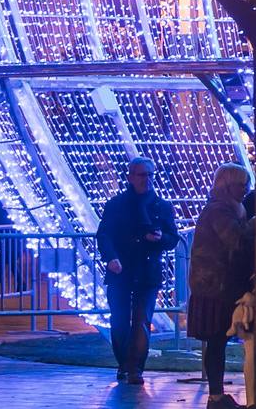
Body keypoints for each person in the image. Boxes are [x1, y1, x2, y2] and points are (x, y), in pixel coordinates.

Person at [97, 156, 180, 386]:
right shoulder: (116, 205)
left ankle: (135, 368)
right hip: (121, 270)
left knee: (142, 319)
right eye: (142, 175)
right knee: (120, 320)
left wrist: (161, 238)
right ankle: (124, 363)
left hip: (147, 271)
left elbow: (172, 238)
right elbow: (104, 234)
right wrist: (111, 257)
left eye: (150, 175)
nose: (148, 180)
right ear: (131, 177)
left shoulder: (162, 206)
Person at [189, 164, 253, 408]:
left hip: (218, 284)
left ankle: (217, 394)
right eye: (241, 184)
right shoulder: (220, 211)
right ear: (227, 185)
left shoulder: (229, 209)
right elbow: (235, 240)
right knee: (216, 340)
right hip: (215, 286)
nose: (245, 189)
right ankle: (216, 395)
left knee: (218, 341)